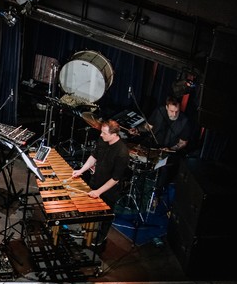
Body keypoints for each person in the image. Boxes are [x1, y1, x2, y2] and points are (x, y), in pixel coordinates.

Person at [70, 119, 131, 252]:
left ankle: (101, 237)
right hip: (96, 181)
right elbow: (93, 157)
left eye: (104, 133)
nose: (101, 135)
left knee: (106, 216)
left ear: (114, 135)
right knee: (89, 210)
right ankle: (85, 232)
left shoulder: (122, 153)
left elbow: (115, 179)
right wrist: (81, 170)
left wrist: (98, 192)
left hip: (109, 190)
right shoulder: (103, 140)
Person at [133, 95, 192, 191]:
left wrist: (171, 149)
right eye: (172, 111)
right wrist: (137, 130)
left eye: (177, 111)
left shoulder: (184, 121)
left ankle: (157, 191)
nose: (174, 114)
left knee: (163, 171)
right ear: (166, 107)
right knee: (138, 157)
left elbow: (183, 142)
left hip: (168, 151)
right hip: (152, 146)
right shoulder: (159, 111)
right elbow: (148, 127)